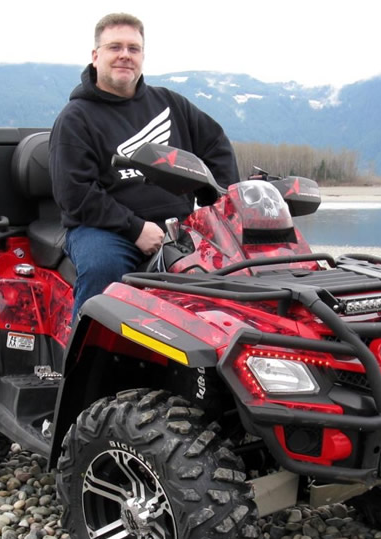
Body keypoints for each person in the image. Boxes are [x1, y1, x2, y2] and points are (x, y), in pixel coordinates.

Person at [49, 12, 240, 319]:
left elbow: (217, 146)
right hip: (104, 231)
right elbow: (75, 193)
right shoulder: (76, 117)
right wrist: (135, 228)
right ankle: (84, 363)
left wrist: (219, 208)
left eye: (133, 48)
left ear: (142, 57)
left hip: (178, 225)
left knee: (235, 272)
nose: (125, 55)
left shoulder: (170, 104)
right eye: (115, 47)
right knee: (103, 268)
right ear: (96, 56)